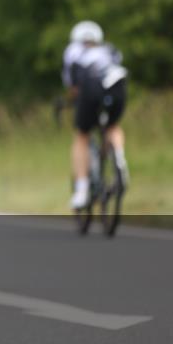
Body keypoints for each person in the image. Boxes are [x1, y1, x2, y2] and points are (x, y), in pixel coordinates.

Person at [62, 20, 129, 209]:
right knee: (113, 126)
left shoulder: (73, 50)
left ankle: (82, 190)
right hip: (118, 85)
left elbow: (73, 85)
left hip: (90, 87)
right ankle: (119, 158)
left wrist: (71, 100)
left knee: (82, 135)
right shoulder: (109, 49)